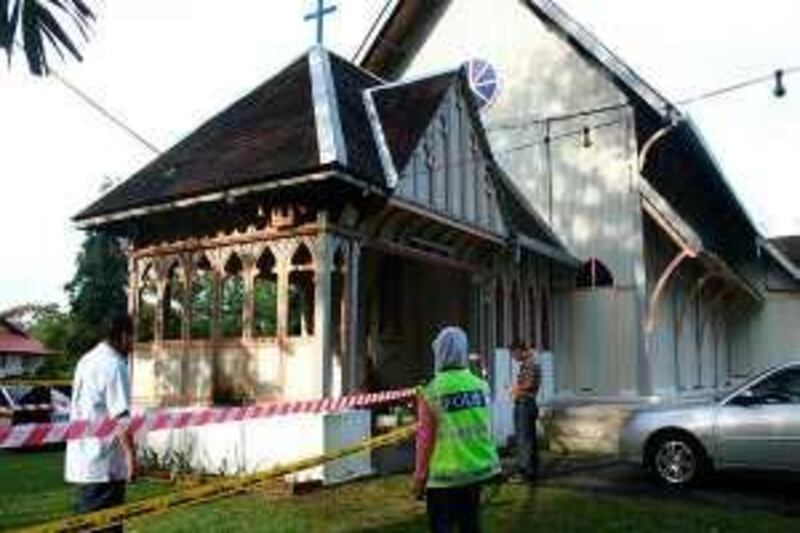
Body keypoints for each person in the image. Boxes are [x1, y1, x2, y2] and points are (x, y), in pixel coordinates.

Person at [413, 326, 501, 533]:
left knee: (442, 526)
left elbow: (425, 440)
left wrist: (420, 476)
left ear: (439, 352)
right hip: (475, 471)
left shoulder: (431, 391)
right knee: (470, 524)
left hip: (444, 476)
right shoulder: (481, 386)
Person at [65, 312, 137, 531]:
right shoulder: (115, 365)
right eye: (133, 336)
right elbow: (121, 419)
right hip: (104, 466)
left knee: (88, 526)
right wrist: (131, 458)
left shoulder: (86, 360)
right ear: (123, 335)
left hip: (82, 462)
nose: (134, 343)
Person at [510, 340, 541, 484]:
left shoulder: (530, 363)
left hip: (525, 404)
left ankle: (525, 472)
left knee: (524, 439)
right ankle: (531, 471)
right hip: (527, 403)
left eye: (514, 354)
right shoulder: (530, 362)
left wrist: (515, 389)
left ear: (520, 350)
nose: (513, 357)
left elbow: (529, 384)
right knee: (529, 439)